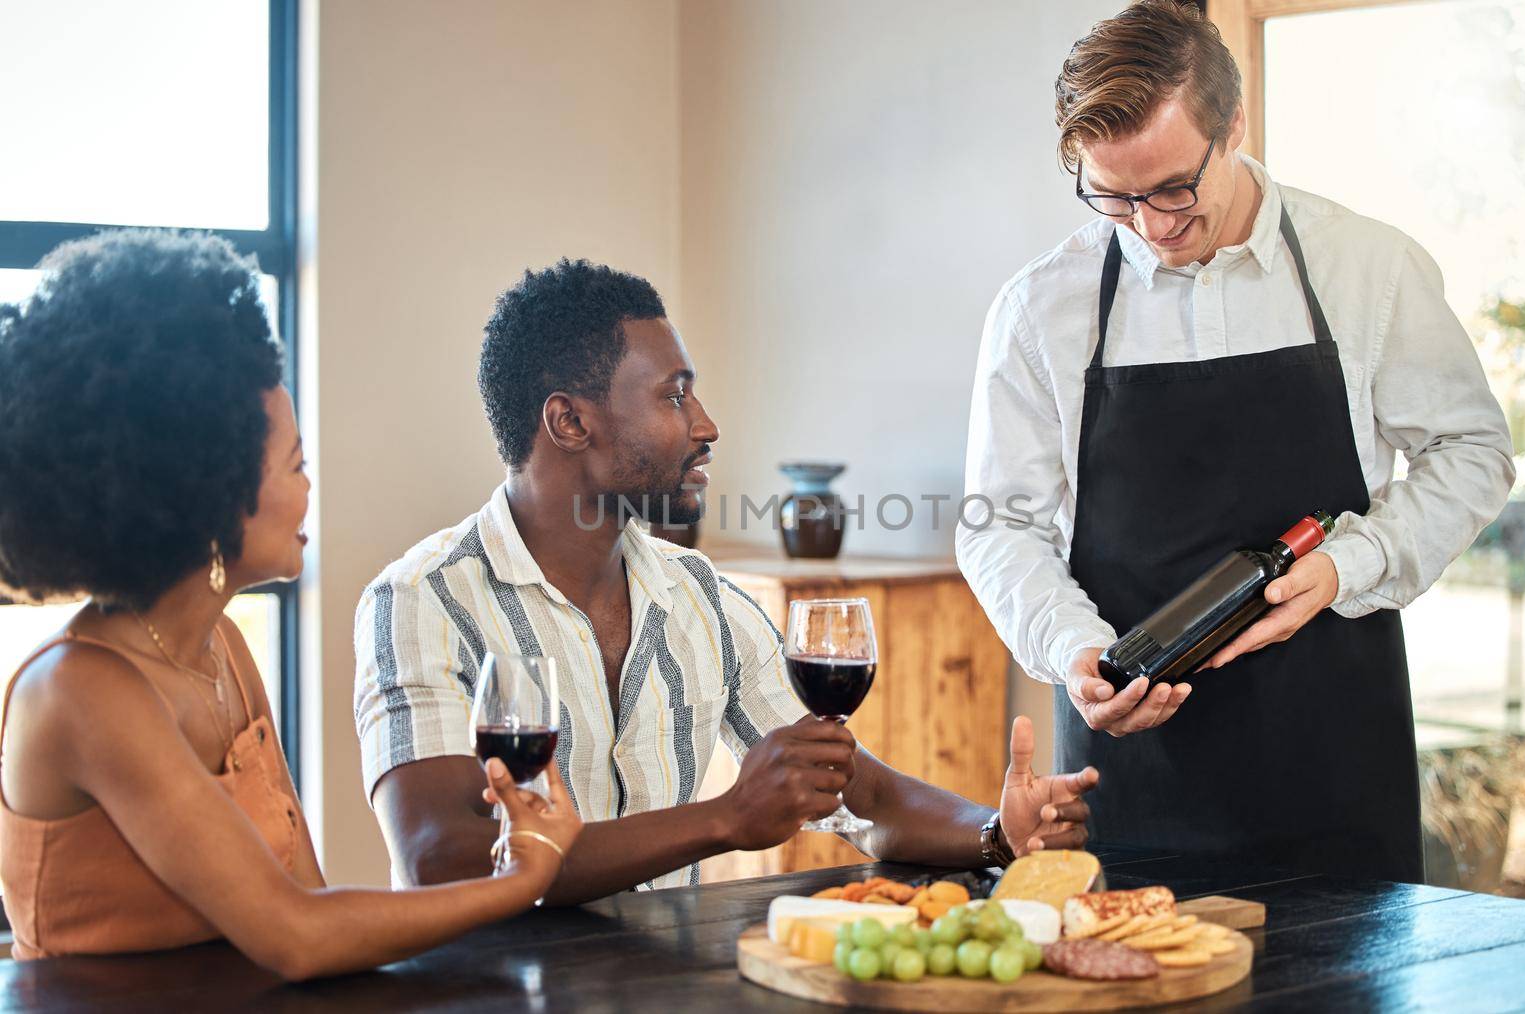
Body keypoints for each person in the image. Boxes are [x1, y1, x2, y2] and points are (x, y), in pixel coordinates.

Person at [955, 0, 1513, 883]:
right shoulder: (1040, 308)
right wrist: (1074, 649)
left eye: (1175, 187)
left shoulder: (1366, 267)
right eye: (1113, 195)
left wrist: (1352, 562)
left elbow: (1471, 452)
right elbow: (999, 524)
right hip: (1131, 779)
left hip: (1335, 768)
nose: (1150, 225)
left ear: (1236, 126)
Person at [355, 258, 1096, 900]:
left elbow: (859, 796)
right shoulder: (425, 601)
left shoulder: (699, 595)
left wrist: (997, 830)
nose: (706, 424)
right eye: (674, 395)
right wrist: (723, 819)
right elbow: (442, 861)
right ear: (570, 422)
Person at [0, 230, 581, 976]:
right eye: (296, 464)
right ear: (208, 493)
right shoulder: (81, 690)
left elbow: (307, 899)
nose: (310, 488)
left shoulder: (220, 653)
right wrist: (523, 878)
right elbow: (298, 934)